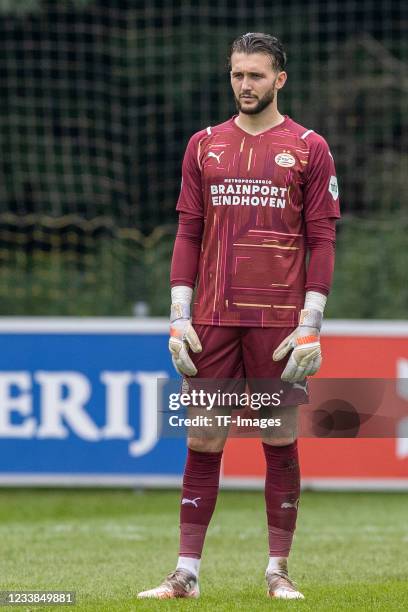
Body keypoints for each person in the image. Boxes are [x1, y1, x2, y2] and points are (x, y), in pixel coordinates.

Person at [138, 32, 340, 600]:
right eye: (236, 74)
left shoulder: (308, 147)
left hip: (279, 321)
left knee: (278, 437)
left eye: (255, 75)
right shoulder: (204, 145)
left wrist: (312, 321)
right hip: (213, 319)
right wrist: (179, 314)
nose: (244, 85)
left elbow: (322, 236)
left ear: (280, 79)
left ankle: (278, 570)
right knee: (203, 440)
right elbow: (188, 230)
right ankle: (186, 575)